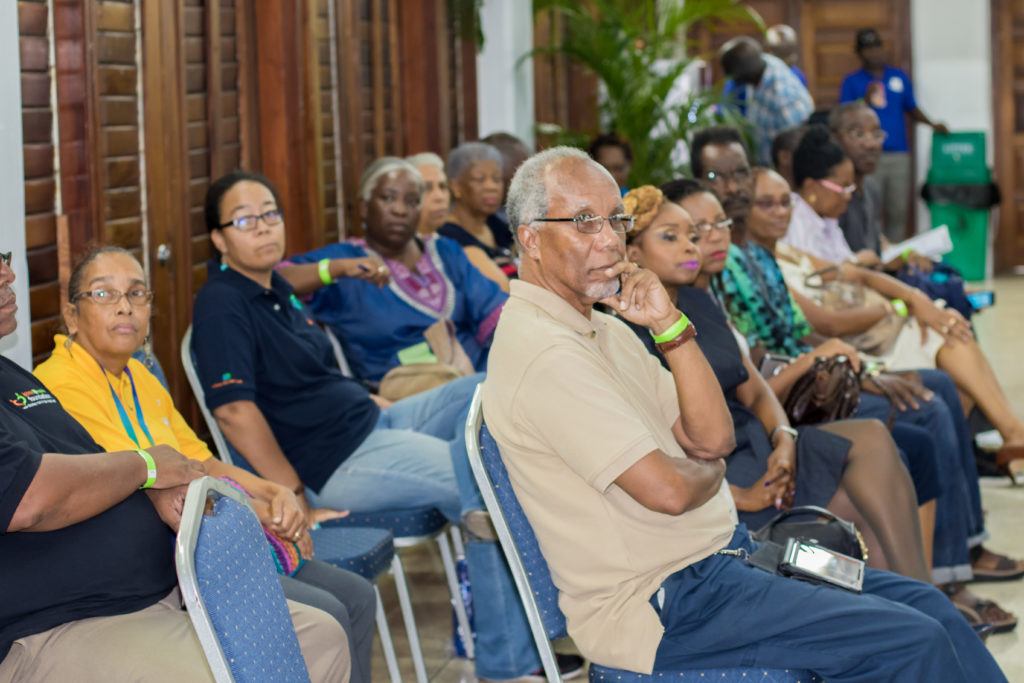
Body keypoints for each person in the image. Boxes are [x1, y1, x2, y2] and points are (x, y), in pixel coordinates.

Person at [483, 144, 1006, 680]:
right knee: (911, 641)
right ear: (530, 238)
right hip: (670, 601)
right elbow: (673, 489)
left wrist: (669, 327)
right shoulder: (546, 355)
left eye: (616, 219)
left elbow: (714, 440)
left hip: (734, 555)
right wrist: (708, 471)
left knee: (927, 605)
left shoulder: (603, 328)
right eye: (584, 222)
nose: (610, 239)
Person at [191, 170, 577, 681]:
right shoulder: (221, 303)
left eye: (270, 214)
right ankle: (510, 658)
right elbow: (233, 411)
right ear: (219, 239)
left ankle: (537, 598)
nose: (262, 227)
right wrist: (292, 495)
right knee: (487, 477)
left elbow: (301, 332)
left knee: (491, 387)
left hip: (375, 418)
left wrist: (340, 274)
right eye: (244, 220)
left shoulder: (273, 288)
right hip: (338, 459)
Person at [675, 175, 1021, 629]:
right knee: (915, 425)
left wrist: (789, 430)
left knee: (918, 418)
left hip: (779, 419)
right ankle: (930, 599)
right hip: (748, 448)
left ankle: (935, 592)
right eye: (685, 233)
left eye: (717, 223)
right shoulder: (671, 312)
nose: (708, 238)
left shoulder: (719, 286)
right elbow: (707, 423)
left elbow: (764, 376)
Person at [33, 246, 377, 683]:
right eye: (104, 294)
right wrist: (257, 511)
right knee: (329, 613)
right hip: (163, 564)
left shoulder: (141, 376)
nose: (124, 307)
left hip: (206, 536)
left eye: (137, 293)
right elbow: (156, 485)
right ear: (72, 315)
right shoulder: (59, 385)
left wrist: (272, 491)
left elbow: (202, 463)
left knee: (358, 597)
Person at [620, 185, 932, 581]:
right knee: (859, 506)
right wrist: (738, 495)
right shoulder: (625, 332)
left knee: (872, 440)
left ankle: (920, 595)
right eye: (671, 237)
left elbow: (755, 391)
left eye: (692, 236)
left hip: (757, 443)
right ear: (633, 254)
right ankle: (914, 599)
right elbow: (656, 455)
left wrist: (784, 440)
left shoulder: (699, 303)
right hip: (713, 474)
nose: (689, 247)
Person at [775, 129, 1024, 482]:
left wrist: (901, 291)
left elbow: (854, 272)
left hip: (869, 322)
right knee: (947, 336)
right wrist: (901, 304)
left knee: (951, 328)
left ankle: (997, 448)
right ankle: (1008, 441)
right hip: (855, 337)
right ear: (812, 186)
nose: (850, 194)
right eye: (842, 187)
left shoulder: (827, 220)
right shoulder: (793, 228)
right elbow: (835, 297)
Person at [279, 159, 506, 384]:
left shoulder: (446, 252)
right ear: (364, 207)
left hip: (479, 376)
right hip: (409, 391)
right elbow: (277, 280)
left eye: (411, 201)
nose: (400, 210)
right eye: (388, 198)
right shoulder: (345, 261)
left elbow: (497, 312)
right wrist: (339, 268)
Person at [839, 28, 950, 242]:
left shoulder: (898, 77)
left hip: (899, 155)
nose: (874, 53)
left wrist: (932, 124)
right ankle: (872, 249)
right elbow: (844, 116)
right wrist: (864, 100)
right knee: (869, 207)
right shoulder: (852, 81)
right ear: (859, 53)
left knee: (898, 209)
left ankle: (895, 253)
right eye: (867, 49)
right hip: (866, 155)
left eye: (876, 47)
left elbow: (912, 108)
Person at [719, 36, 813, 165]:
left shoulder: (782, 94)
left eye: (732, 75)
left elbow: (797, 146)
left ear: (745, 74)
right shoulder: (762, 65)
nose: (730, 79)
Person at [438, 141, 516, 289]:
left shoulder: (497, 225)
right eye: (480, 179)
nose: (491, 187)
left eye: (497, 179)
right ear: (455, 186)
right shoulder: (449, 236)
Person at [406, 152, 451, 235]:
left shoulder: (449, 242)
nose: (440, 197)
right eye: (427, 188)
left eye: (442, 186)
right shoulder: (395, 243)